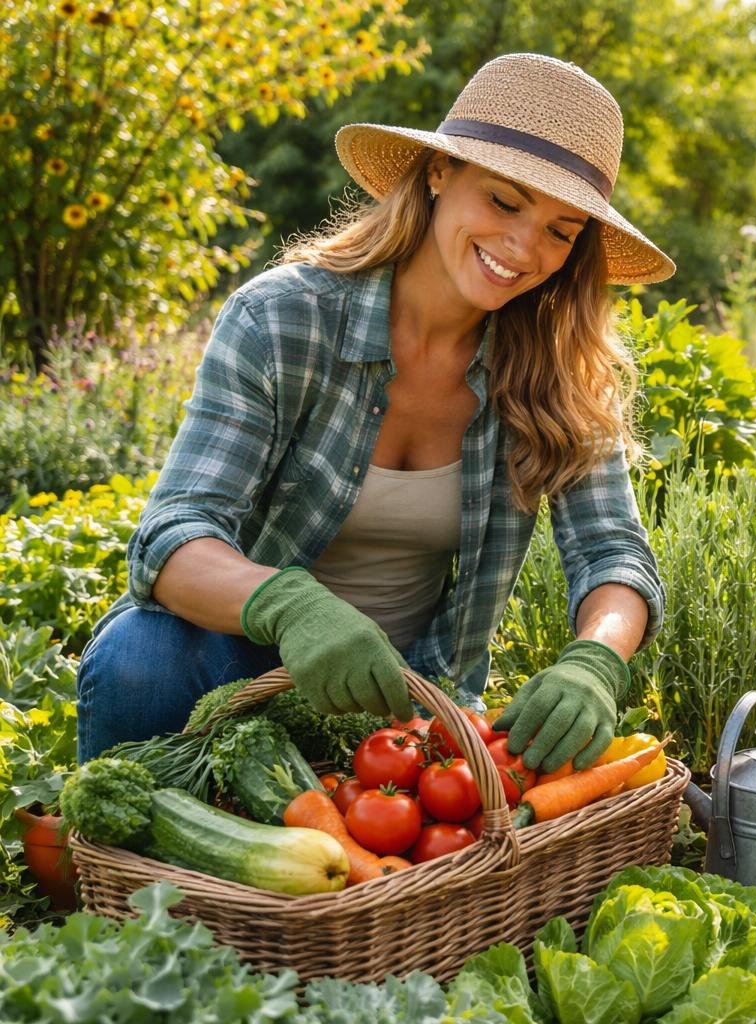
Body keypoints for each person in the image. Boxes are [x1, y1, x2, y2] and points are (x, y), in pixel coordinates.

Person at [76, 54, 671, 777]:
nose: (524, 247)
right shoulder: (283, 320)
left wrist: (595, 659)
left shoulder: (556, 370)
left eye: (561, 229)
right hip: (238, 669)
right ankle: (120, 876)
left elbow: (613, 554)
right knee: (140, 657)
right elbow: (172, 537)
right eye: (505, 202)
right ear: (437, 173)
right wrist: (291, 607)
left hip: (410, 708)